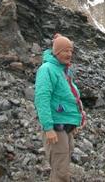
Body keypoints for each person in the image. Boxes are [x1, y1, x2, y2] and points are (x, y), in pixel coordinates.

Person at [34, 33, 86, 181]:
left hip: (65, 126)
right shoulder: (47, 69)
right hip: (55, 127)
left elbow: (68, 97)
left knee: (62, 166)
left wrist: (74, 121)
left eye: (71, 51)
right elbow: (41, 98)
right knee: (61, 171)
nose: (69, 54)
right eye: (65, 51)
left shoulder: (63, 70)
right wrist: (48, 128)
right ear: (56, 52)